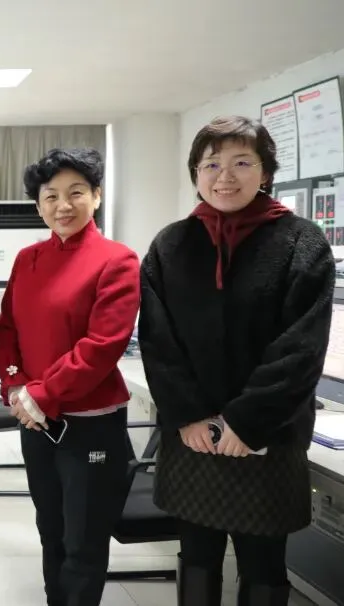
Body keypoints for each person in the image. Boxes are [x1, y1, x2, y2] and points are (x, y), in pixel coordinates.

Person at [139, 116, 334, 606]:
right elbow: (159, 341)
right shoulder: (171, 244)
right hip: (193, 438)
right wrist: (188, 416)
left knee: (263, 564)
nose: (224, 176)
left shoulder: (302, 242)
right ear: (196, 173)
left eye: (242, 163)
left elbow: (301, 347)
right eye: (211, 164)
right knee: (197, 556)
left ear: (265, 171)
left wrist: (246, 423)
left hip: (267, 438)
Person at [0, 148, 140, 606]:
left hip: (90, 423)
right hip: (36, 422)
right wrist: (15, 386)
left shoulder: (117, 260)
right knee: (50, 532)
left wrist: (42, 393)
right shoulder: (28, 259)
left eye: (76, 192)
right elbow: (7, 329)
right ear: (38, 206)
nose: (63, 205)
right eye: (50, 196)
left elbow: (102, 345)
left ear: (96, 196)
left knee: (83, 543)